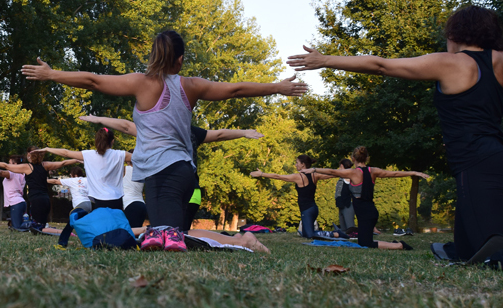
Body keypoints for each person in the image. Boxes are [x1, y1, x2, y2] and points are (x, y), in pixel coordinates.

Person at [23, 30, 307, 251]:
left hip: (164, 174)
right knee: (166, 234)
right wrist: (277, 88)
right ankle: (236, 240)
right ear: (180, 59)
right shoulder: (191, 85)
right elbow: (235, 89)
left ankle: (241, 241)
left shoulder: (142, 82)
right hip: (183, 172)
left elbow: (94, 81)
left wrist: (52, 75)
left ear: (153, 55)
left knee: (171, 235)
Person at [288, 5, 503, 260]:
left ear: (455, 34)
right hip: (498, 162)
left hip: (479, 167)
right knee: (465, 251)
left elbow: (381, 65)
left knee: (495, 252)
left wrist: (325, 60)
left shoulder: (450, 62)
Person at [79, 114, 264, 230]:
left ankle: (231, 241)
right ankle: (231, 240)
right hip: (193, 189)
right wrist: (243, 132)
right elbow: (220, 134)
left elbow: (127, 126)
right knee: (182, 231)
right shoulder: (193, 132)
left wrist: (100, 119)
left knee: (169, 231)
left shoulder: (158, 131)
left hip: (168, 187)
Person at [302, 146, 429, 250]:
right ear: (367, 158)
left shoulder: (352, 172)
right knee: (363, 241)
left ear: (353, 158)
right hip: (368, 212)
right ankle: (395, 243)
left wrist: (313, 169)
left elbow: (332, 171)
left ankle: (400, 245)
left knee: (365, 243)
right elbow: (394, 173)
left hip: (365, 213)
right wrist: (414, 172)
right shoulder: (373, 171)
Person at [33, 128, 131, 210]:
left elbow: (66, 153)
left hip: (99, 200)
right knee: (116, 227)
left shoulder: (88, 154)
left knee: (102, 229)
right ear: (112, 141)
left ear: (97, 141)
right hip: (116, 199)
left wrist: (47, 149)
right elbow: (140, 157)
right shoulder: (121, 154)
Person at [0, 147, 78, 225]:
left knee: (38, 227)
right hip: (46, 199)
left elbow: (6, 166)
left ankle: (63, 233)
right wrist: (78, 159)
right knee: (42, 225)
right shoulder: (46, 165)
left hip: (36, 200)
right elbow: (63, 162)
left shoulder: (27, 167)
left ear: (30, 156)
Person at [250, 155, 332, 239]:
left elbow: (278, 176)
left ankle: (334, 234)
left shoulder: (298, 177)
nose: (296, 165)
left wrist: (262, 174)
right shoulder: (315, 175)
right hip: (313, 209)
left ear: (303, 164)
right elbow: (331, 174)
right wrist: (342, 172)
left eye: (297, 163)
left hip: (307, 210)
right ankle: (330, 233)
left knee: (309, 235)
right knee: (304, 234)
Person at [0, 155, 28, 229]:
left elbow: (2, 172)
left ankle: (36, 225)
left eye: (9, 163)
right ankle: (35, 225)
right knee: (16, 224)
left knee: (17, 227)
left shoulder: (13, 173)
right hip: (21, 203)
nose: (8, 165)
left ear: (14, 164)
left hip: (16, 203)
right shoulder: (23, 174)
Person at [334, 158, 355, 232]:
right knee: (343, 228)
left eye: (340, 167)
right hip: (341, 204)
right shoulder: (342, 177)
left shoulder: (348, 177)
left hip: (347, 204)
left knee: (350, 226)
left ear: (342, 166)